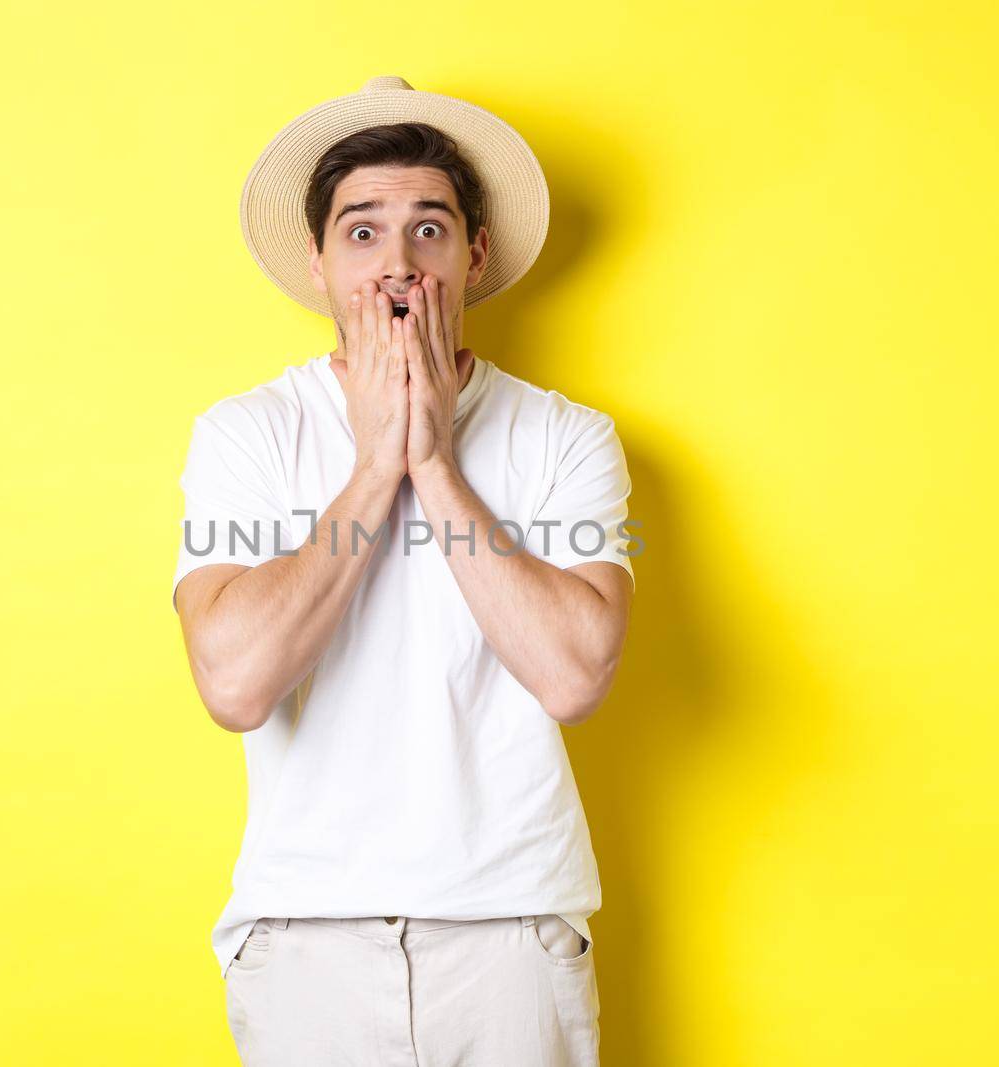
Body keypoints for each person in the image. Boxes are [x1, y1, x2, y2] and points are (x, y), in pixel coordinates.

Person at [171, 74, 637, 1066]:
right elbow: (235, 682)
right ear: (319, 262)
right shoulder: (245, 435)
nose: (397, 264)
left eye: (429, 230)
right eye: (362, 230)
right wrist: (375, 464)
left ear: (472, 256)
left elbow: (572, 674)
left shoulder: (566, 437)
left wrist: (432, 459)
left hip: (511, 927)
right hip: (304, 934)